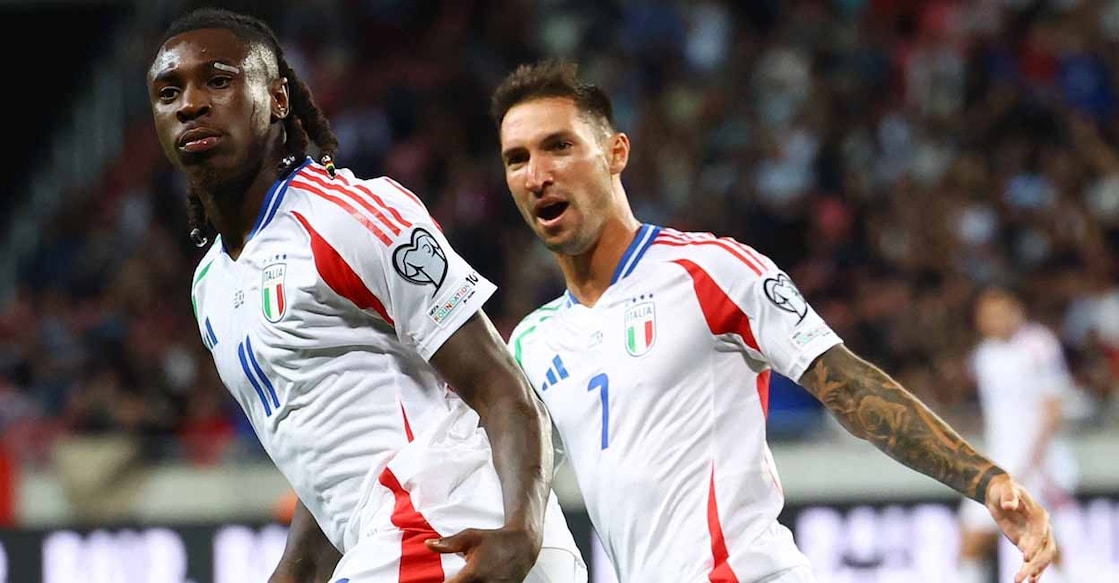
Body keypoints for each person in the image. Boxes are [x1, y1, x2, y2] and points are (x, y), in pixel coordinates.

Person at [491, 59, 1057, 583]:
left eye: (559, 146)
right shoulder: (532, 343)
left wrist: (985, 481)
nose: (538, 174)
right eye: (517, 158)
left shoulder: (709, 271)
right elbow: (521, 496)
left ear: (616, 153)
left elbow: (850, 387)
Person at [147, 9, 586, 583]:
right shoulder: (211, 286)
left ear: (279, 99)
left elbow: (501, 385)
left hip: (454, 531)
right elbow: (333, 472)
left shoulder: (346, 217)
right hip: (393, 537)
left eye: (220, 80)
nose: (191, 103)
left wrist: (521, 533)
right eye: (169, 91)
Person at [959, 286, 1079, 583]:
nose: (993, 320)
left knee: (1043, 541)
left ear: (1017, 310)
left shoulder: (1039, 345)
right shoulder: (985, 354)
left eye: (1000, 313)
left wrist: (1032, 465)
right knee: (971, 541)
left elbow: (1052, 409)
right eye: (987, 315)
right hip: (1001, 461)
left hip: (1037, 464)